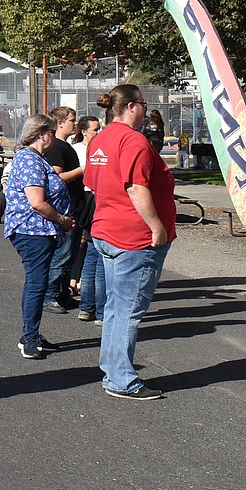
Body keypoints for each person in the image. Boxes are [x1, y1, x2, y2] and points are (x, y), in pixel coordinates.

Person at [84, 85, 175, 400]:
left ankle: (112, 369)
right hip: (133, 237)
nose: (146, 112)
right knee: (127, 309)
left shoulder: (101, 139)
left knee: (115, 306)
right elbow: (136, 187)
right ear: (134, 106)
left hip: (108, 231)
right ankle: (120, 378)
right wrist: (156, 226)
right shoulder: (133, 140)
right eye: (144, 105)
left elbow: (95, 185)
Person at [4, 114, 75, 359]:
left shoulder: (35, 159)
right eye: (52, 133)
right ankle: (30, 337)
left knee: (37, 281)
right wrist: (62, 219)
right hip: (32, 230)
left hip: (39, 230)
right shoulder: (30, 161)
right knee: (37, 283)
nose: (54, 137)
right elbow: (37, 203)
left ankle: (31, 333)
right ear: (42, 134)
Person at [42, 106, 84, 313]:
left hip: (75, 206)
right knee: (61, 255)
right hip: (66, 208)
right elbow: (56, 177)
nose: (75, 124)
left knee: (70, 255)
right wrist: (81, 170)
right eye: (71, 120)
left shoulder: (66, 146)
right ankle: (50, 296)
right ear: (59, 123)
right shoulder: (57, 147)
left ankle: (63, 294)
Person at [72, 116, 106, 325]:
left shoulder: (99, 146)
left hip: (94, 199)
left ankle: (89, 307)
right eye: (95, 129)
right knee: (96, 256)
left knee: (93, 254)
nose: (98, 132)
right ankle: (95, 309)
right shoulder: (77, 150)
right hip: (89, 199)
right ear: (85, 131)